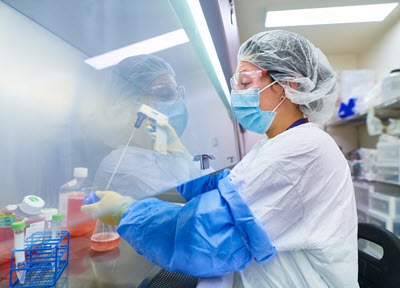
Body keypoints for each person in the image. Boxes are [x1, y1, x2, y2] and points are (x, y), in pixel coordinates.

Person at [83, 30, 358, 287]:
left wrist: (126, 212)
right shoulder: (276, 146)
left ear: (288, 84)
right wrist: (178, 151)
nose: (237, 92)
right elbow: (225, 190)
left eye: (246, 82)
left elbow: (209, 240)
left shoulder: (303, 150)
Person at [94, 54, 204, 199]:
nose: (176, 102)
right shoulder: (119, 166)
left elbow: (215, 189)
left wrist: (182, 153)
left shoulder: (169, 156)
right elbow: (190, 207)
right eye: (165, 93)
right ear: (132, 102)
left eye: (176, 93)